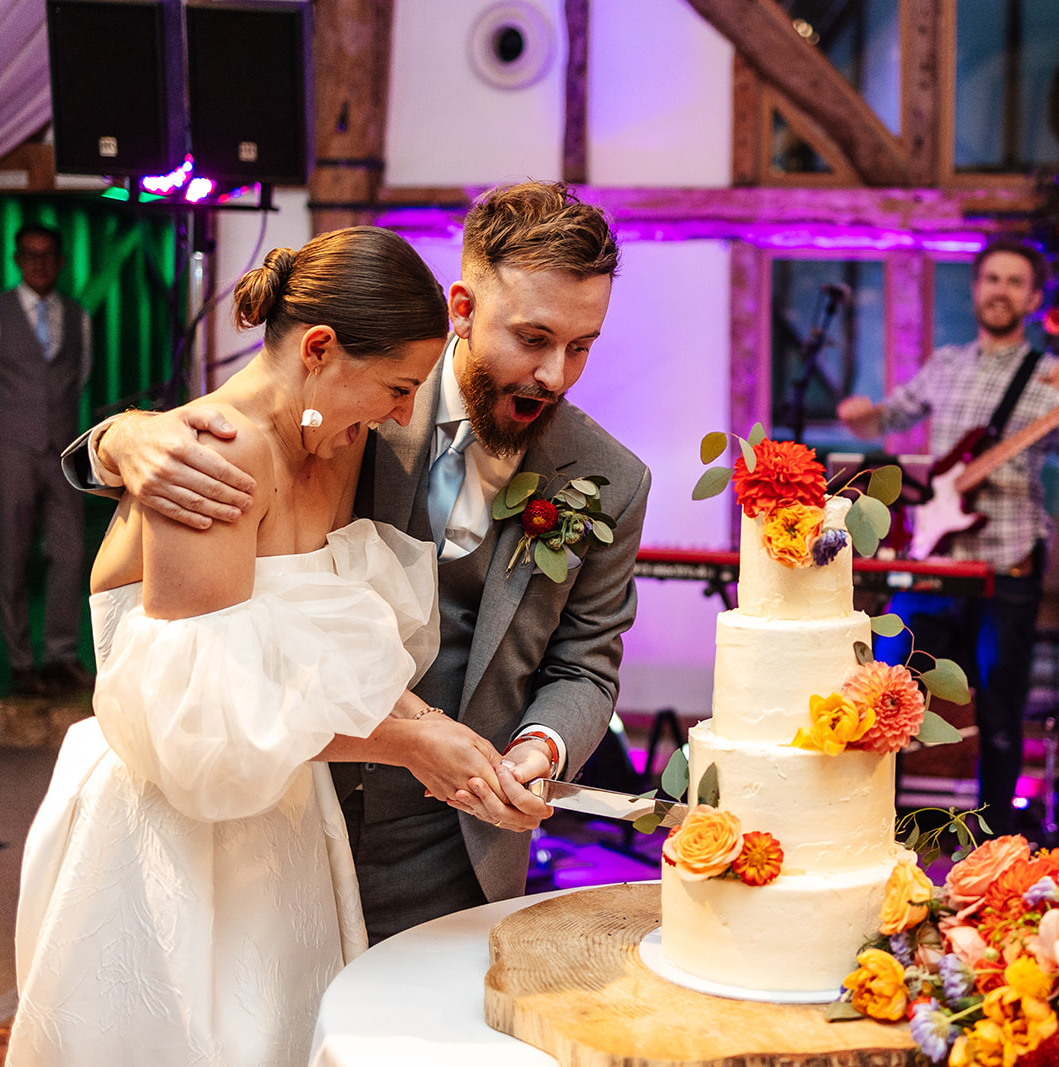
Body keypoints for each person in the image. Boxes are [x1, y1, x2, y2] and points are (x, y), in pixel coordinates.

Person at [69, 181, 652, 940]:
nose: (557, 375)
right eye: (534, 339)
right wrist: (122, 437)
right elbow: (235, 428)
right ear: (464, 309)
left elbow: (584, 665)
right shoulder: (353, 405)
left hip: (457, 847)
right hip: (286, 804)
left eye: (581, 346)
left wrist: (540, 746)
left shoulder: (610, 477)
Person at [9, 226, 475, 1065]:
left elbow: (316, 651)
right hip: (167, 832)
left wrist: (434, 728)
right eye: (398, 387)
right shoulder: (208, 459)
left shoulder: (334, 436)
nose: (404, 413)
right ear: (321, 348)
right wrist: (411, 742)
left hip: (284, 816)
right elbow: (206, 731)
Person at [836, 238, 1059, 837]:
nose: (1001, 290)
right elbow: (892, 416)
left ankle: (993, 843)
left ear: (1034, 299)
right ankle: (868, 826)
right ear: (976, 289)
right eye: (992, 279)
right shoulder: (948, 363)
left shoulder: (1053, 377)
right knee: (883, 683)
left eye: (1015, 281)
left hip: (1007, 562)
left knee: (1001, 713)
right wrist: (864, 418)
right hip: (935, 560)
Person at [0, 223, 94, 696]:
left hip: (64, 450)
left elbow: (79, 375)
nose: (39, 263)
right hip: (8, 447)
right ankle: (21, 662)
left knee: (70, 553)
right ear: (17, 259)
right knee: (11, 555)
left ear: (61, 260)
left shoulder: (77, 314)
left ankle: (59, 657)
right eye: (30, 255)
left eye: (48, 255)